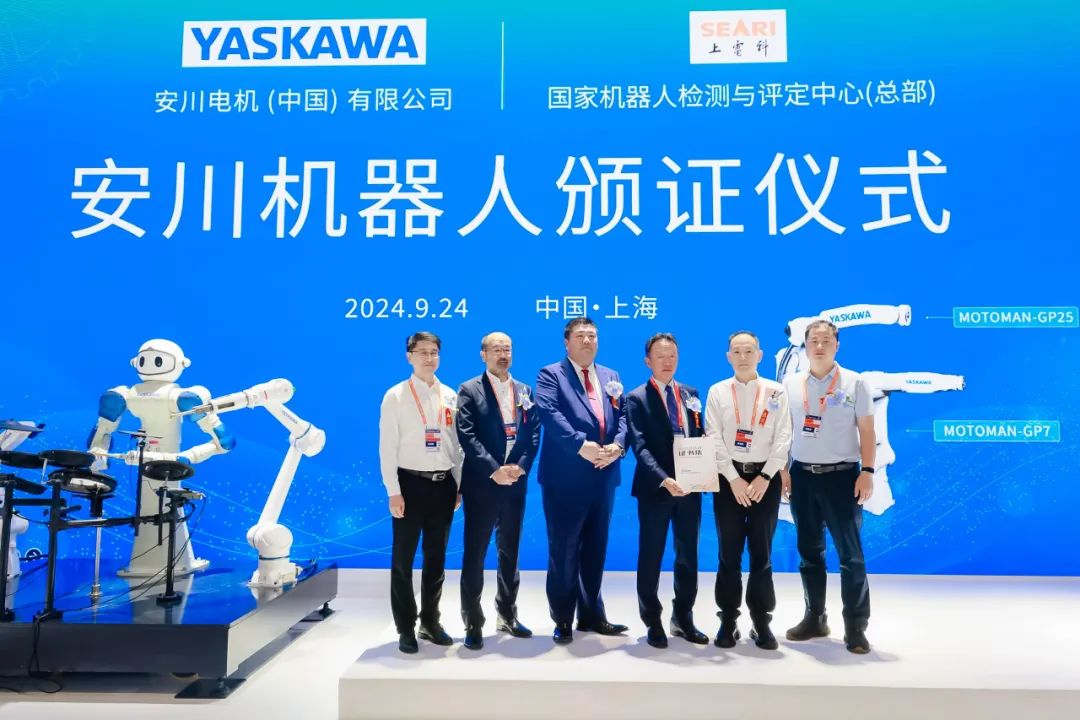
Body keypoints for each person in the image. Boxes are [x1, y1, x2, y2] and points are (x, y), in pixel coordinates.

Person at [782, 319, 875, 654]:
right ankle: (815, 618)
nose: (819, 346)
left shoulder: (854, 382)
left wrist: (868, 471)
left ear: (837, 345)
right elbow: (784, 431)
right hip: (802, 477)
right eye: (813, 341)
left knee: (851, 556)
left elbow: (867, 429)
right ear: (805, 346)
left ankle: (855, 627)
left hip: (843, 478)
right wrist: (782, 469)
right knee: (809, 554)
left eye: (826, 340)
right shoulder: (790, 384)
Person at [535, 317, 628, 645]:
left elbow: (623, 416)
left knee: (595, 549)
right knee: (564, 550)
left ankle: (591, 615)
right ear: (567, 342)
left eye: (592, 335)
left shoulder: (611, 376)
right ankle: (563, 618)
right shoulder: (551, 374)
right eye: (580, 336)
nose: (587, 341)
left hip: (604, 475)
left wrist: (618, 446)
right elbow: (548, 412)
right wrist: (580, 445)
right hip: (565, 479)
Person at [704, 331, 791, 649]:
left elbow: (784, 436)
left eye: (749, 351)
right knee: (728, 554)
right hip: (728, 482)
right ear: (728, 356)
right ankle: (728, 621)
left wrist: (766, 476)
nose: (743, 357)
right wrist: (733, 478)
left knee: (761, 555)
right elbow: (713, 436)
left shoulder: (776, 391)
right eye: (737, 351)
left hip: (765, 481)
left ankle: (761, 622)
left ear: (760, 355)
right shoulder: (717, 391)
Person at [378, 331, 463, 654]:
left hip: (443, 486)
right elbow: (387, 447)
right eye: (422, 352)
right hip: (409, 485)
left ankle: (430, 622)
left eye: (434, 352)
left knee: (436, 559)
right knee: (403, 561)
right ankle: (405, 628)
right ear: (409, 356)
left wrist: (459, 485)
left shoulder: (450, 396)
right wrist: (393, 491)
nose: (429, 358)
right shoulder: (396, 396)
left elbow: (456, 446)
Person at [456, 332, 541, 650]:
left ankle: (507, 614)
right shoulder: (469, 389)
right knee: (475, 554)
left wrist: (520, 467)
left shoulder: (525, 391)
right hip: (483, 483)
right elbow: (467, 435)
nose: (503, 355)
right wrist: (494, 469)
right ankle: (472, 621)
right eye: (496, 349)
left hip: (515, 484)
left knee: (510, 553)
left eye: (507, 349)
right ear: (483, 354)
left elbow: (534, 433)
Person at [625, 333, 709, 649]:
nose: (667, 361)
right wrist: (664, 479)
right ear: (648, 361)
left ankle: (683, 618)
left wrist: (703, 470)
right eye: (660, 356)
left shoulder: (690, 393)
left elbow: (698, 435)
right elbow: (640, 446)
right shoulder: (636, 398)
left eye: (672, 355)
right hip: (655, 489)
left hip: (690, 488)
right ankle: (653, 620)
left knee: (688, 555)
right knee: (651, 555)